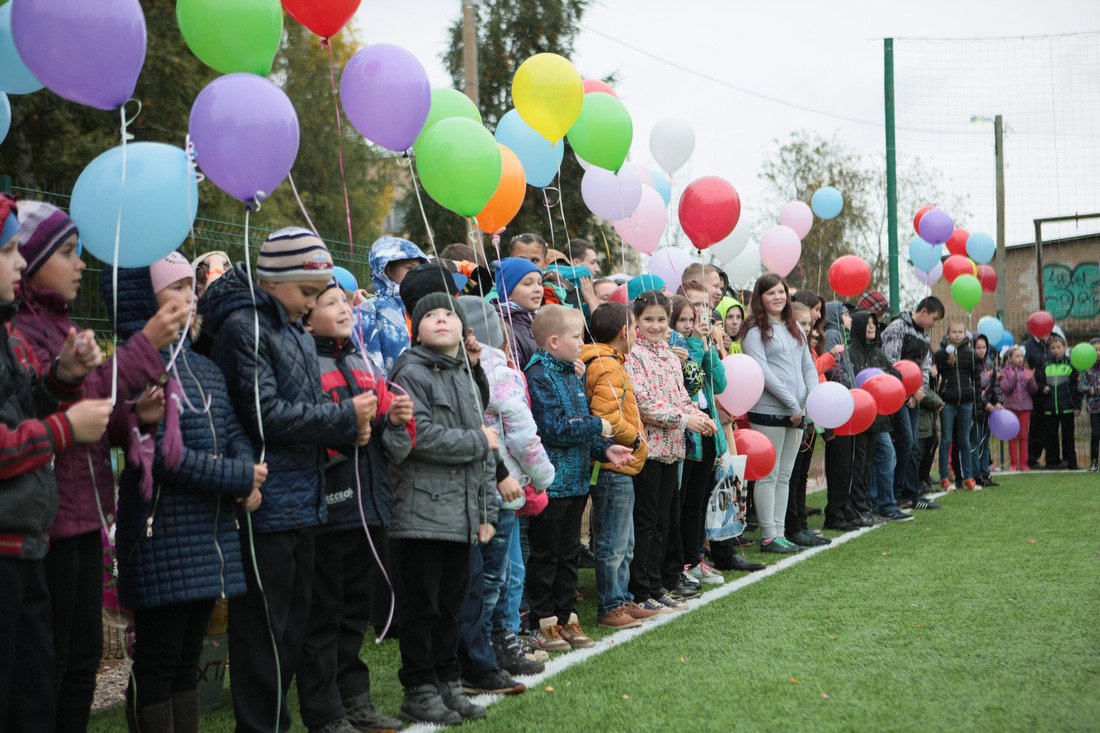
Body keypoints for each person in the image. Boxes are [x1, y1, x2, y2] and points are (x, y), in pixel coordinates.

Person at [198, 227, 375, 733]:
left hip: (306, 496)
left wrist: (351, 424)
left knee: (293, 627)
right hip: (267, 501)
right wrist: (343, 418)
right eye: (308, 292)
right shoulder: (245, 328)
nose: (314, 303)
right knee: (263, 632)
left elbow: (309, 404)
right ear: (276, 281)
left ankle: (278, 720)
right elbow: (265, 415)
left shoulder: (294, 328)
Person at [13, 200, 179, 733]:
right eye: (68, 253)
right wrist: (145, 347)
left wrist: (131, 416)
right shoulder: (21, 332)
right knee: (53, 663)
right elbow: (55, 409)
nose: (81, 264)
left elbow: (87, 416)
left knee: (82, 658)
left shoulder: (64, 326)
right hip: (52, 521)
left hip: (84, 515)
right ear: (32, 262)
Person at [103, 253, 266, 733]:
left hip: (209, 537)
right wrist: (236, 480)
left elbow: (234, 430)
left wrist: (247, 470)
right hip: (162, 538)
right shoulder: (139, 369)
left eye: (191, 286)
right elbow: (161, 457)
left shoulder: (203, 366)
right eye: (175, 287)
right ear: (145, 300)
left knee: (187, 658)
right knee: (158, 658)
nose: (190, 296)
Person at [0, 196, 111, 732]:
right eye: (9, 251)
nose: (18, 264)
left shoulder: (9, 339)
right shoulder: (20, 331)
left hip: (34, 533)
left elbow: (25, 410)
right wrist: (68, 423)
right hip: (26, 537)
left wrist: (65, 377)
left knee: (44, 683)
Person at [298, 280, 415, 733]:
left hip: (369, 505)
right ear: (306, 316)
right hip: (329, 506)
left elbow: (389, 423)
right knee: (324, 612)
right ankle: (324, 710)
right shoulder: (305, 361)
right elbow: (303, 426)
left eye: (345, 300)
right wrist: (349, 430)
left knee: (353, 612)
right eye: (330, 303)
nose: (345, 308)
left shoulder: (361, 359)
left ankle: (355, 700)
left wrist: (394, 420)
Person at [386, 292, 500, 726]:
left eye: (447, 314)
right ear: (416, 327)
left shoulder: (466, 374)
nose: (438, 320)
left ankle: (448, 681)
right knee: (423, 606)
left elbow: (485, 454)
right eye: (428, 315)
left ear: (463, 327)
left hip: (464, 513)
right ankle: (418, 688)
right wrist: (477, 442)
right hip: (421, 512)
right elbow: (417, 435)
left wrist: (487, 514)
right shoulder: (410, 371)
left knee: (452, 605)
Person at [456, 296, 555, 675]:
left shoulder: (461, 370)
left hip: (478, 484)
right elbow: (522, 434)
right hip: (504, 485)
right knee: (506, 573)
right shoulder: (501, 373)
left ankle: (496, 641)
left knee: (492, 572)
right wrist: (544, 477)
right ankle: (502, 641)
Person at [525, 305, 633, 650]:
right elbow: (553, 429)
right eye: (577, 336)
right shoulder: (539, 374)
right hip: (551, 484)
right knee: (546, 555)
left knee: (569, 552)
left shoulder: (572, 373)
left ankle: (566, 616)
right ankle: (542, 621)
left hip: (575, 481)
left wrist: (605, 449)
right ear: (554, 341)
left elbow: (579, 427)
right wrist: (598, 426)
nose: (582, 342)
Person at [628, 291, 715, 610]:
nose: (655, 325)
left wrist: (701, 417)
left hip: (672, 449)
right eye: (648, 319)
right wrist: (686, 418)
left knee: (665, 520)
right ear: (636, 320)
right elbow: (645, 404)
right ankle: (641, 588)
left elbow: (680, 396)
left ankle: (659, 583)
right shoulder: (633, 354)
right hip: (648, 451)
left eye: (661, 319)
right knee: (647, 520)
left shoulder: (668, 353)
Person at [580, 303, 664, 628]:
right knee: (613, 541)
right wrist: (636, 440)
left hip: (623, 466)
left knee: (624, 541)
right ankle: (611, 606)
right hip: (613, 465)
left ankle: (623, 599)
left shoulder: (612, 362)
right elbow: (607, 417)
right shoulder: (607, 366)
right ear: (624, 332)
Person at [739, 274, 818, 553]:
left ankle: (781, 533)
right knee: (768, 476)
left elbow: (808, 366)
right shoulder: (753, 329)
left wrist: (811, 400)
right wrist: (792, 405)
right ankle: (769, 537)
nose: (777, 297)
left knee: (784, 476)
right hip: (769, 412)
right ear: (760, 297)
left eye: (781, 292)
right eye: (770, 292)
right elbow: (764, 372)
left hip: (798, 414)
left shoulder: (793, 327)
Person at [678, 281, 737, 581]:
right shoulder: (681, 343)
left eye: (706, 307)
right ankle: (686, 562)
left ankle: (697, 557)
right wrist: (698, 346)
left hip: (708, 426)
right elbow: (691, 384)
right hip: (689, 429)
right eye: (695, 306)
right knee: (687, 501)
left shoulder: (703, 341)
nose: (702, 313)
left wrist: (710, 349)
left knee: (700, 499)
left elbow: (720, 384)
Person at [839, 310, 912, 523]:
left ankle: (879, 505)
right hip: (859, 418)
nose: (872, 326)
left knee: (879, 459)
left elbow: (894, 375)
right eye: (867, 323)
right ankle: (866, 506)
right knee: (862, 463)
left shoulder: (879, 353)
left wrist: (888, 377)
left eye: (874, 323)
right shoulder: (850, 353)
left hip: (879, 419)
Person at [881, 296, 944, 510]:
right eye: (934, 318)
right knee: (905, 441)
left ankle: (911, 493)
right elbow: (890, 362)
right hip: (896, 395)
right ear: (924, 312)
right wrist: (907, 392)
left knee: (914, 446)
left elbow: (926, 367)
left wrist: (920, 393)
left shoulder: (925, 334)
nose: (935, 324)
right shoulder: (897, 328)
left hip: (915, 397)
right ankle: (897, 493)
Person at [782, 301, 833, 544]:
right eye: (799, 323)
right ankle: (791, 526)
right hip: (793, 417)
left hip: (808, 418)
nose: (805, 329)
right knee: (791, 476)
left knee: (800, 475)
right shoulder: (788, 349)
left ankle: (800, 524)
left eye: (808, 324)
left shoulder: (806, 348)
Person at [357, 237, 428, 376]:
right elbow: (369, 366)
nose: (416, 274)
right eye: (409, 268)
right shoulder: (370, 309)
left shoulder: (426, 306)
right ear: (387, 269)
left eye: (419, 269)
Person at [934, 321, 981, 491]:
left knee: (965, 440)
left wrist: (977, 403)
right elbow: (935, 378)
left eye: (960, 331)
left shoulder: (971, 354)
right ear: (948, 333)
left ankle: (968, 478)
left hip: (967, 402)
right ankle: (944, 479)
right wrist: (938, 399)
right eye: (954, 331)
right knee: (946, 439)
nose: (957, 334)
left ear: (965, 333)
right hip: (947, 402)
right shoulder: (939, 354)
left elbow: (977, 379)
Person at [1035, 334, 1080, 470]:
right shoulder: (1046, 366)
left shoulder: (1071, 366)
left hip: (1067, 407)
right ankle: (1051, 462)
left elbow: (1075, 388)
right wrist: (1044, 389)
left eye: (1058, 347)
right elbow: (1039, 383)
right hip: (1050, 408)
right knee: (1051, 438)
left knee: (1068, 437)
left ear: (1065, 348)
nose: (1055, 350)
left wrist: (1077, 406)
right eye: (1053, 348)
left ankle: (1071, 462)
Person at [492, 258, 543, 371]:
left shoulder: (543, 320)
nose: (538, 289)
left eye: (540, 283)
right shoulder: (504, 328)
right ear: (508, 293)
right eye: (528, 284)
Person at [998, 346, 1038, 472]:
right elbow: (1005, 388)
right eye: (1017, 356)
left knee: (1023, 436)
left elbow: (1034, 390)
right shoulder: (1004, 372)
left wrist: (1031, 381)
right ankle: (1014, 464)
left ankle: (1024, 463)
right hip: (1011, 408)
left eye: (1021, 356)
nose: (1020, 359)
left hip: (1025, 408)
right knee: (1012, 436)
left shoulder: (1027, 372)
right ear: (1010, 358)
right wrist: (1014, 379)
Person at [972, 334, 1003, 485]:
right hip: (977, 409)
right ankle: (976, 474)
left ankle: (985, 473)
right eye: (978, 347)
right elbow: (974, 389)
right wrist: (985, 403)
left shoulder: (990, 365)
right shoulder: (971, 365)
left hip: (989, 411)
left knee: (985, 443)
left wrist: (998, 402)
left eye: (984, 347)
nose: (981, 350)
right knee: (976, 442)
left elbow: (995, 385)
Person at [1023, 328, 1052, 469]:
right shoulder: (1027, 347)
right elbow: (1027, 370)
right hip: (1035, 394)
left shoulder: (1049, 345)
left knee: (1049, 427)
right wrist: (1040, 387)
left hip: (1051, 393)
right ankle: (1032, 459)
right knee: (1036, 428)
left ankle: (1052, 459)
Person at [1082, 338, 1100, 472]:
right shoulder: (1085, 367)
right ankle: (1094, 460)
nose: (1098, 352)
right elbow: (1080, 385)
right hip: (1094, 406)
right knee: (1095, 433)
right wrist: (1090, 389)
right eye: (1095, 350)